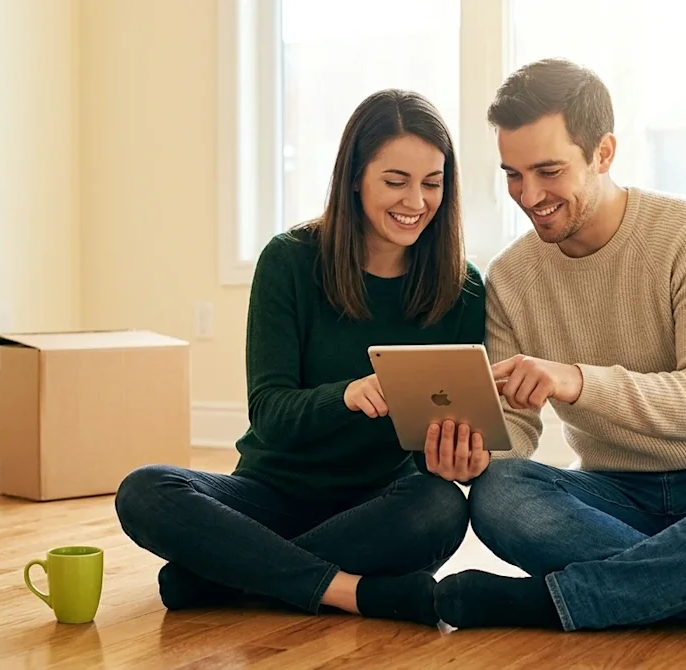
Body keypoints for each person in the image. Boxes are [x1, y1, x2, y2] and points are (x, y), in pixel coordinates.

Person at [428, 58, 686, 646]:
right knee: (501, 493)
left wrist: (578, 381)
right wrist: (475, 454)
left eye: (549, 171)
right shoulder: (512, 276)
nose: (529, 195)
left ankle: (556, 603)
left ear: (603, 152)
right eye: (513, 175)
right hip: (613, 497)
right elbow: (515, 432)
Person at [114, 89, 488, 627]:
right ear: (354, 176)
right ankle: (346, 592)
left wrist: (455, 459)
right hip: (272, 494)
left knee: (443, 506)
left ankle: (227, 578)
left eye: (432, 183)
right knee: (145, 490)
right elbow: (269, 412)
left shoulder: (461, 286)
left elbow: (438, 439)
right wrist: (347, 395)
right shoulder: (289, 260)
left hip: (376, 509)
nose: (416, 201)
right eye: (395, 181)